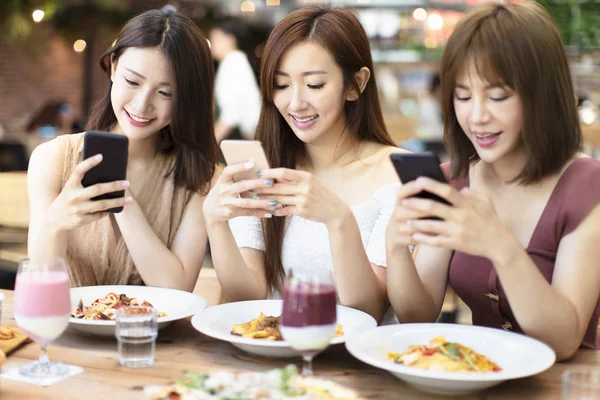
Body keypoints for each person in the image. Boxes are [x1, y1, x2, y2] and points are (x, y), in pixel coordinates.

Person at [385, 1, 600, 360]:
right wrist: (395, 247)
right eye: (463, 96)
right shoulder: (454, 180)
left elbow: (564, 340)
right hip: (480, 378)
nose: (477, 116)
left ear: (542, 96)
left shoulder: (586, 188)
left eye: (498, 96)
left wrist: (500, 245)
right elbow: (417, 313)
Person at [203, 6, 408, 323]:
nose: (295, 103)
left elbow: (368, 311)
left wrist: (339, 220)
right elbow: (249, 297)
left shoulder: (395, 172)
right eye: (282, 85)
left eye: (314, 85)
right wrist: (215, 224)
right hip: (274, 358)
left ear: (356, 84)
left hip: (357, 366)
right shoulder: (264, 166)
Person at [26, 8, 219, 290]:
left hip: (149, 334)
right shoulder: (52, 158)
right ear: (114, 67)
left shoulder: (198, 178)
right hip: (62, 331)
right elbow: (39, 284)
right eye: (132, 81)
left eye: (165, 93)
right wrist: (56, 222)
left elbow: (176, 291)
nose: (142, 105)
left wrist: (123, 202)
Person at [209, 19, 261, 142]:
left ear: (231, 40)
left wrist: (210, 143)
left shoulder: (233, 62)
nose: (212, 44)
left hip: (257, 133)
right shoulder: (235, 60)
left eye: (216, 39)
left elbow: (232, 112)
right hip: (254, 132)